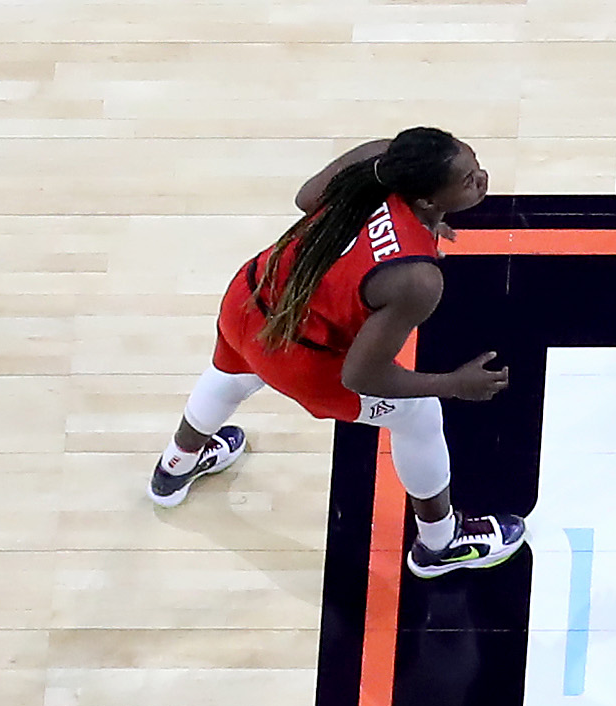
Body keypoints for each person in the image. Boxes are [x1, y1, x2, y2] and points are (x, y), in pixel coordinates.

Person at [153, 128, 527, 577]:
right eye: (467, 179)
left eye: (476, 165)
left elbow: (306, 197)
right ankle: (439, 543)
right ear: (426, 200)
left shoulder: (378, 159)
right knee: (420, 414)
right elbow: (360, 377)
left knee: (233, 374)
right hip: (299, 356)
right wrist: (454, 384)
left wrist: (418, 225)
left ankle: (174, 469)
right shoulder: (417, 281)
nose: (482, 178)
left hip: (253, 295)